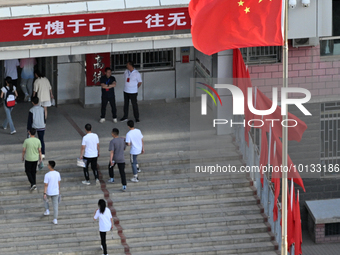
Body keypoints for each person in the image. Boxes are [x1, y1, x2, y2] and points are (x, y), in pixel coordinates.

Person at [43, 161, 61, 225]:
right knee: (55, 206)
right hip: (56, 191)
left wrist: (44, 193)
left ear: (50, 166)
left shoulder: (47, 175)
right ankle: (55, 219)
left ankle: (47, 210)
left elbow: (46, 184)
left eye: (48, 165)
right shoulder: (57, 173)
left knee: (45, 200)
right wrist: (59, 189)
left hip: (49, 191)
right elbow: (59, 182)